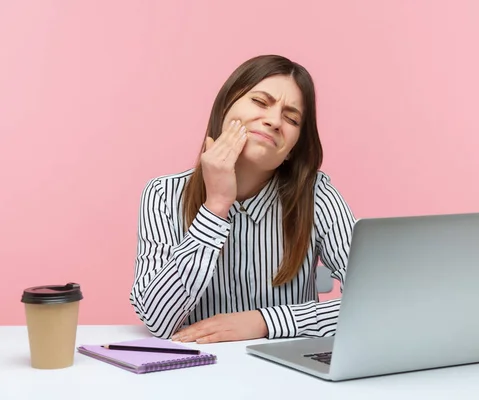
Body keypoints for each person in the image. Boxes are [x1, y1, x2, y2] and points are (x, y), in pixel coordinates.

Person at [129, 54, 356, 344]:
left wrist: (264, 321)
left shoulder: (317, 195)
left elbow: (374, 302)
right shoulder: (163, 195)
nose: (274, 121)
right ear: (225, 108)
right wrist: (216, 207)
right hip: (195, 374)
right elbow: (157, 319)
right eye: (260, 102)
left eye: (291, 118)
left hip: (288, 378)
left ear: (291, 151)